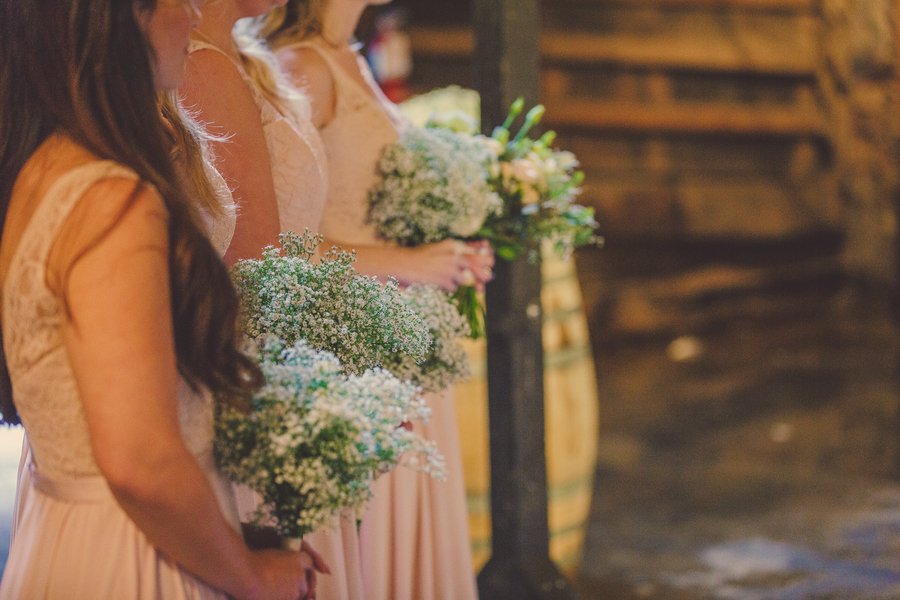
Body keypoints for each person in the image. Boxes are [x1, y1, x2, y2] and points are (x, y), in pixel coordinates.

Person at [0, 1, 324, 597]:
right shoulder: (112, 203)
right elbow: (141, 463)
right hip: (128, 553)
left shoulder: (50, 163)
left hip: (104, 529)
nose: (195, 13)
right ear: (118, 21)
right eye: (176, 0)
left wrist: (226, 528)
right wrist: (248, 576)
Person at [261, 2, 493, 598]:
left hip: (401, 332)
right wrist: (409, 263)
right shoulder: (300, 69)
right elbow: (280, 241)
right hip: (355, 340)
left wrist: (446, 248)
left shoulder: (351, 55)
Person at [179, 2, 361, 599]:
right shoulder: (204, 68)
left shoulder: (246, 55)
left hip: (284, 348)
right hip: (250, 368)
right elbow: (258, 272)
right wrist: (331, 390)